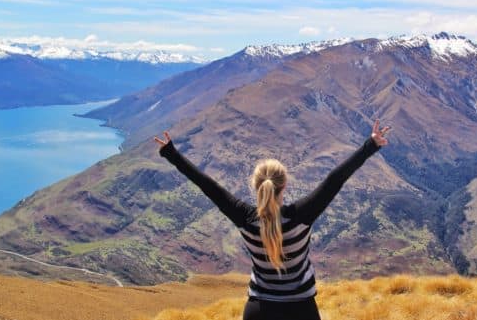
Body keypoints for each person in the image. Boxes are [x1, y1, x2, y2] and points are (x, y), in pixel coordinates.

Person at [154, 119, 391, 320]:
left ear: (256, 186)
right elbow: (334, 180)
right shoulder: (301, 216)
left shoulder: (245, 218)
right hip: (302, 310)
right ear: (284, 185)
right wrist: (370, 145)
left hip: (258, 311)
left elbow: (208, 186)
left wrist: (172, 154)